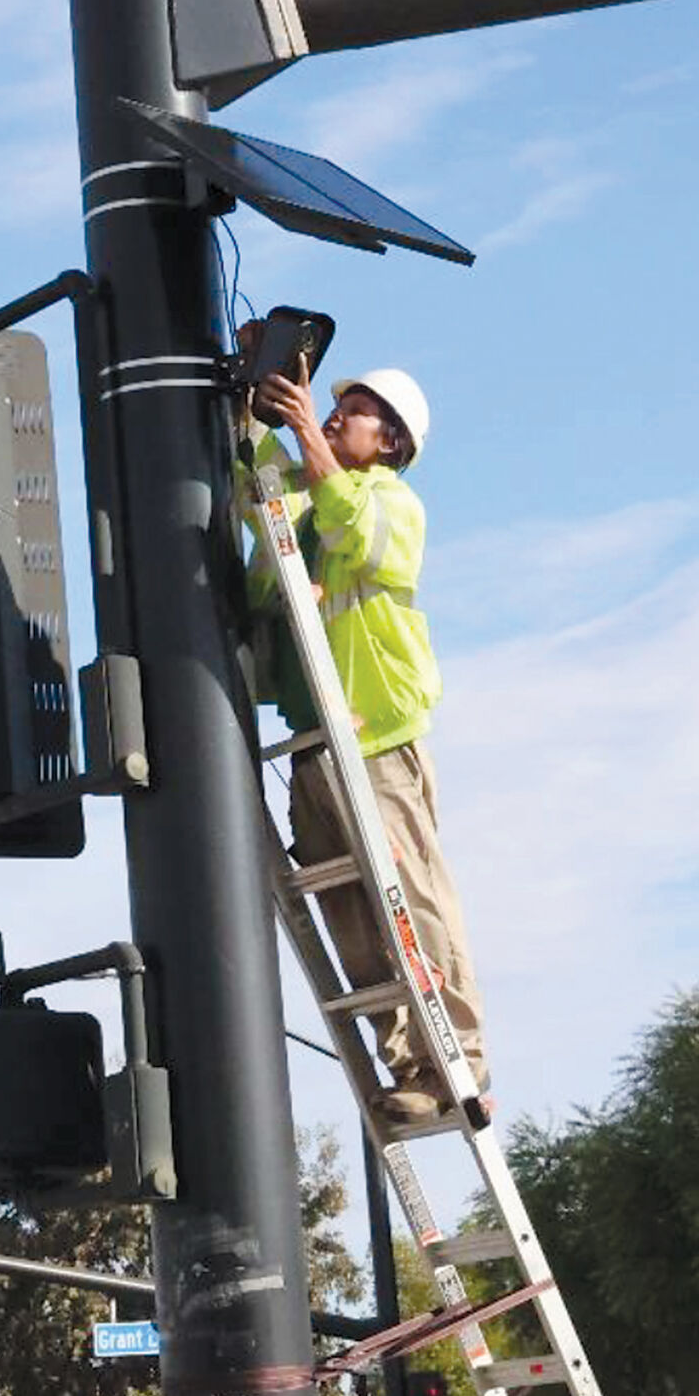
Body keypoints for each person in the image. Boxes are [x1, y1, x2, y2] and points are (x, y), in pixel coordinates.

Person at [234, 343, 491, 1126]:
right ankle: (410, 1065)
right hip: (317, 736)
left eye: (357, 411)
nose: (339, 413)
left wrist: (305, 426)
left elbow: (349, 521)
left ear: (391, 442)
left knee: (411, 902)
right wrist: (250, 410)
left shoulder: (391, 504)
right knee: (347, 908)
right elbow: (260, 488)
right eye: (335, 405)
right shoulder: (306, 509)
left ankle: (460, 1067)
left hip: (375, 735)